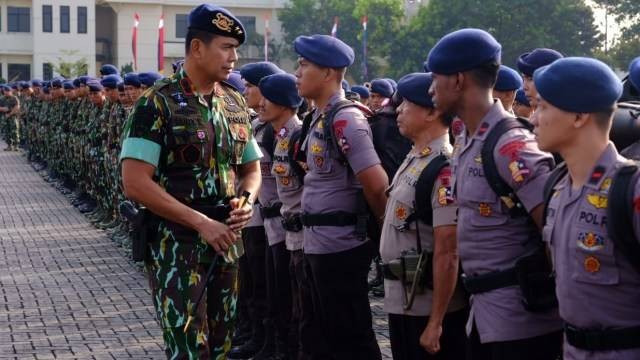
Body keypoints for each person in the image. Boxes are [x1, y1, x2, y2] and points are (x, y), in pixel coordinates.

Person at [119, 4, 262, 359]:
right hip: (177, 247)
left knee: (222, 346)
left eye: (235, 48)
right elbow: (135, 182)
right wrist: (202, 223)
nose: (234, 57)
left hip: (226, 243)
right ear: (197, 48)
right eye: (225, 47)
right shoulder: (156, 104)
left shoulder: (233, 103)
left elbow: (252, 169)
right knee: (189, 349)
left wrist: (246, 201)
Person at [427, 28, 563, 359]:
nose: (430, 88)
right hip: (486, 314)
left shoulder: (511, 146)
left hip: (521, 323)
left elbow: (556, 233)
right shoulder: (468, 138)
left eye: (436, 78)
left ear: (459, 80)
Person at [533, 57, 640, 359]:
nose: (534, 118)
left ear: (579, 116)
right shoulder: (557, 187)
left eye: (543, 107)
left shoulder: (629, 189)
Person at [294, 33, 388, 359]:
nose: (297, 72)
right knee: (319, 335)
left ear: (329, 72)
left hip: (342, 248)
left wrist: (381, 235)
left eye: (304, 65)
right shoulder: (318, 117)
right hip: (318, 245)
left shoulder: (346, 118)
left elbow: (376, 184)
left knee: (351, 336)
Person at [381, 72, 468, 360]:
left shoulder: (442, 169)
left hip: (425, 306)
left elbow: (448, 251)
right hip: (403, 300)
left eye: (407, 103)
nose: (399, 110)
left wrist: (436, 322)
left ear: (431, 112)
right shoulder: (416, 158)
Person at [227, 61, 284, 360]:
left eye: (250, 85)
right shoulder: (257, 125)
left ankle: (268, 341)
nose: (245, 91)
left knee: (265, 287)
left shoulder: (274, 129)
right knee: (250, 282)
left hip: (268, 223)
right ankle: (255, 335)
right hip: (252, 218)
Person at [258, 72, 306, 359]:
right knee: (278, 297)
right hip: (279, 232)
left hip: (298, 235)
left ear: (286, 104)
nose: (261, 104)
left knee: (297, 304)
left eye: (268, 98)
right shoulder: (275, 135)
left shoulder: (298, 137)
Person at [0, 85, 20, 151]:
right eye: (5, 91)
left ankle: (16, 146)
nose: (6, 92)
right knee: (7, 132)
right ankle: (9, 146)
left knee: (14, 132)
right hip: (5, 118)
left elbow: (17, 108)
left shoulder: (14, 98)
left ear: (11, 91)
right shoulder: (2, 99)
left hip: (13, 118)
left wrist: (10, 112)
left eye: (8, 91)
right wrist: (5, 109)